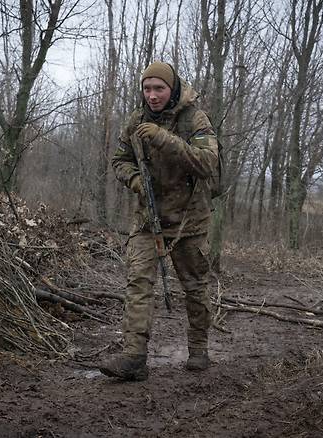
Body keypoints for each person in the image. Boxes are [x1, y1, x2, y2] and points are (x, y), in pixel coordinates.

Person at [99, 61, 219, 381]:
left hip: (188, 220)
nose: (152, 95)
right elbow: (119, 160)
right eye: (147, 88)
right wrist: (136, 181)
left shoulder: (194, 118)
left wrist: (163, 138)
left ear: (172, 89)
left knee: (194, 286)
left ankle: (198, 349)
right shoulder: (135, 120)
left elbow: (207, 163)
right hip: (148, 216)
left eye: (159, 89)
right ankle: (134, 357)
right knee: (138, 281)